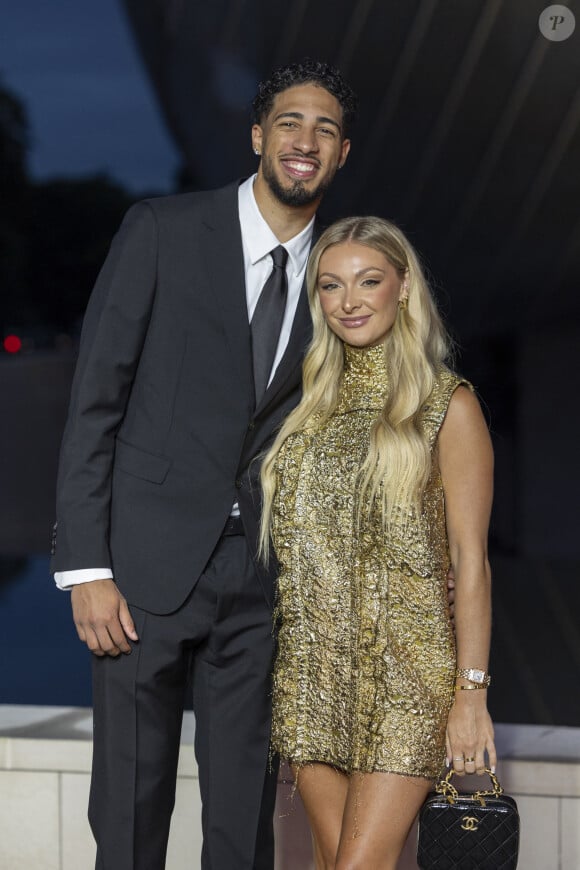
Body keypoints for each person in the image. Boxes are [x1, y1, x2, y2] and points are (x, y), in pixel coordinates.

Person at [50, 59, 356, 870]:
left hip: (260, 581)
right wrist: (86, 568)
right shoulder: (162, 230)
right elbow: (95, 403)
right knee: (130, 812)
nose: (306, 140)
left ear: (342, 154)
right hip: (141, 573)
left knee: (242, 823)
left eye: (326, 129)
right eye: (291, 122)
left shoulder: (342, 276)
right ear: (259, 136)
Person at [259, 216, 496, 869]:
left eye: (368, 281)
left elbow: (471, 564)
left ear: (403, 288)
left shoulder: (448, 405)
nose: (350, 300)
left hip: (407, 683)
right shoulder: (305, 411)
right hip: (310, 679)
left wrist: (470, 695)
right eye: (331, 286)